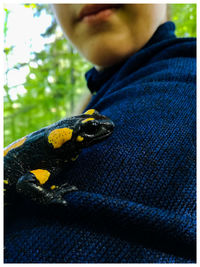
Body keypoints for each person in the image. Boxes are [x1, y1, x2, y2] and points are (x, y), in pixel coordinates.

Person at [4, 4, 196, 263]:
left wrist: (50, 196)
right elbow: (25, 183)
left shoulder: (176, 86)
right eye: (90, 128)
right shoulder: (107, 93)